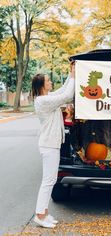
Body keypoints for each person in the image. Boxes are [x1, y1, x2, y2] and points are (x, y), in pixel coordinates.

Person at [31, 62, 75, 228]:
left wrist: (71, 74)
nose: (51, 82)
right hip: (49, 145)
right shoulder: (43, 101)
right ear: (42, 85)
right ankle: (40, 215)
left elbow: (62, 91)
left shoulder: (47, 99)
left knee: (50, 180)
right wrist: (73, 77)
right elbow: (67, 96)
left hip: (51, 144)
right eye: (48, 81)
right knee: (48, 181)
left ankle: (44, 213)